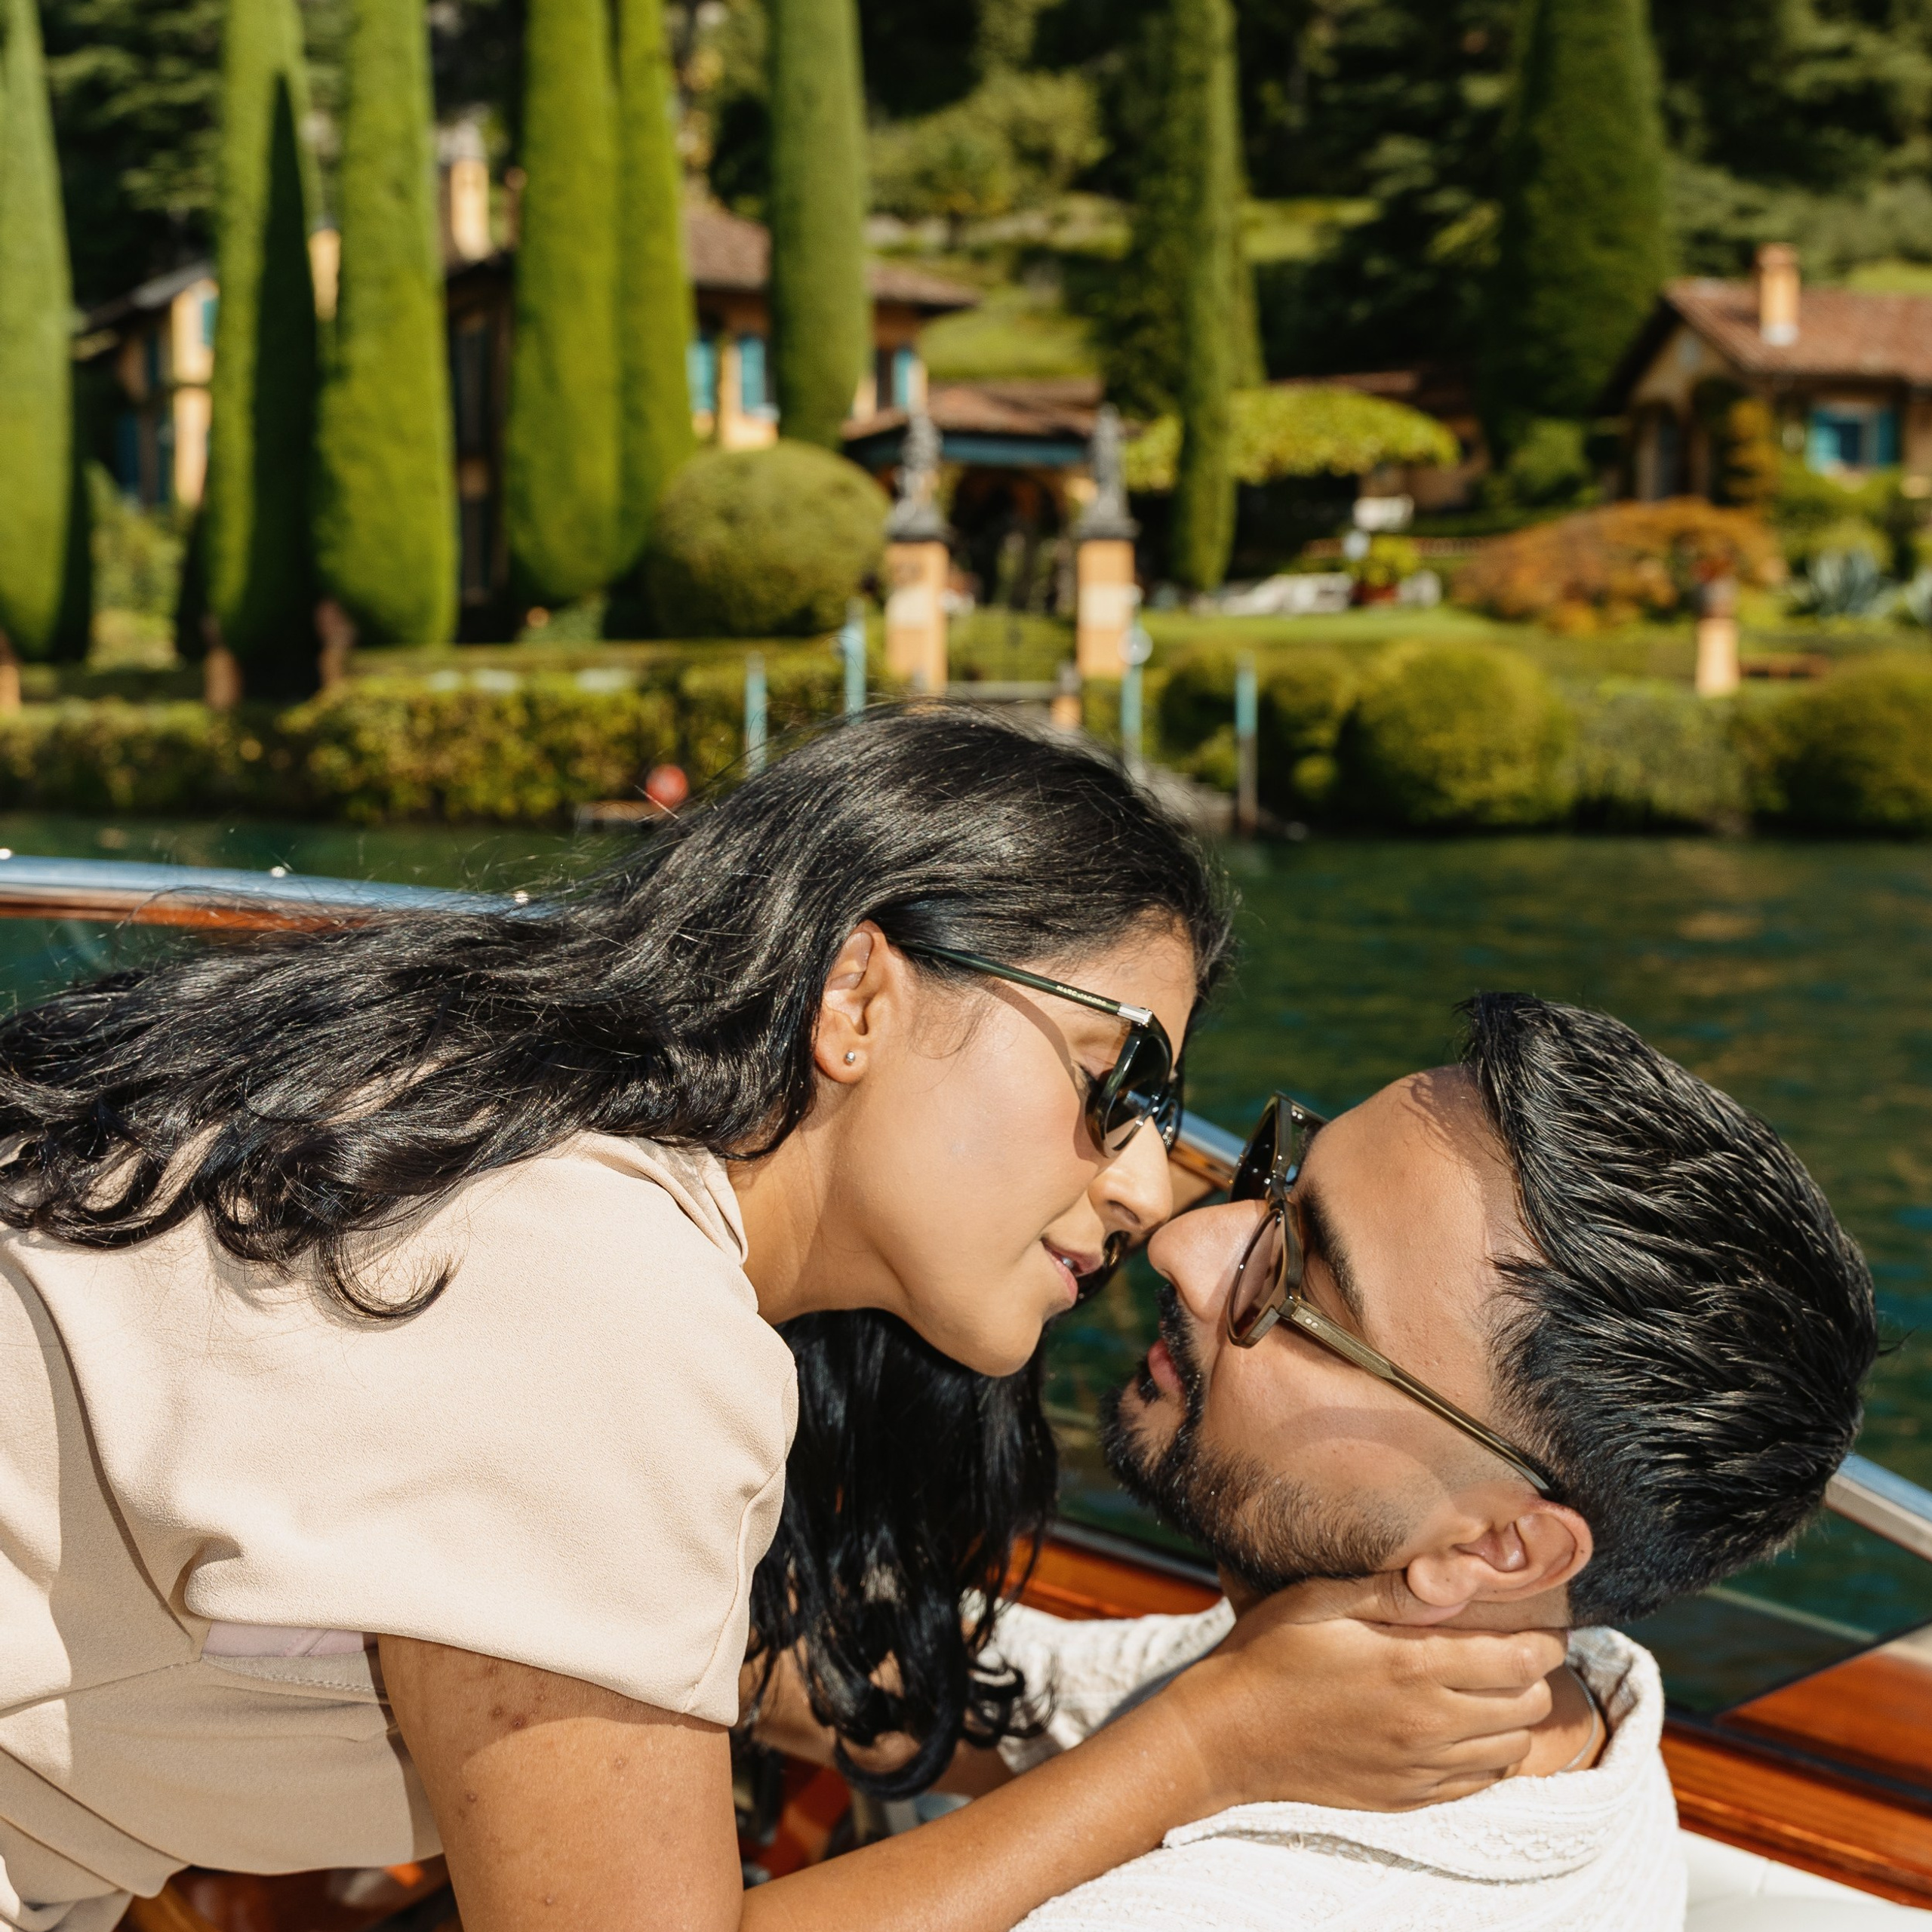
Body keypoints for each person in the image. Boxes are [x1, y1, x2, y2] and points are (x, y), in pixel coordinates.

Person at [0, 709, 1567, 1932]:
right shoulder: (596, 1299)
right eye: (1121, 1085)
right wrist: (1201, 1751)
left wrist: (1255, 1693)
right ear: (857, 996)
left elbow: (739, 1659)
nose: (1153, 1190)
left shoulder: (531, 1155)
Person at [938, 995, 1877, 1929]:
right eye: (1275, 1188)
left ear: (1503, 1547)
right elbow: (1028, 1700)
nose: (1182, 1244)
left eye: (1297, 1286)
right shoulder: (1557, 1692)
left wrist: (1195, 1750)